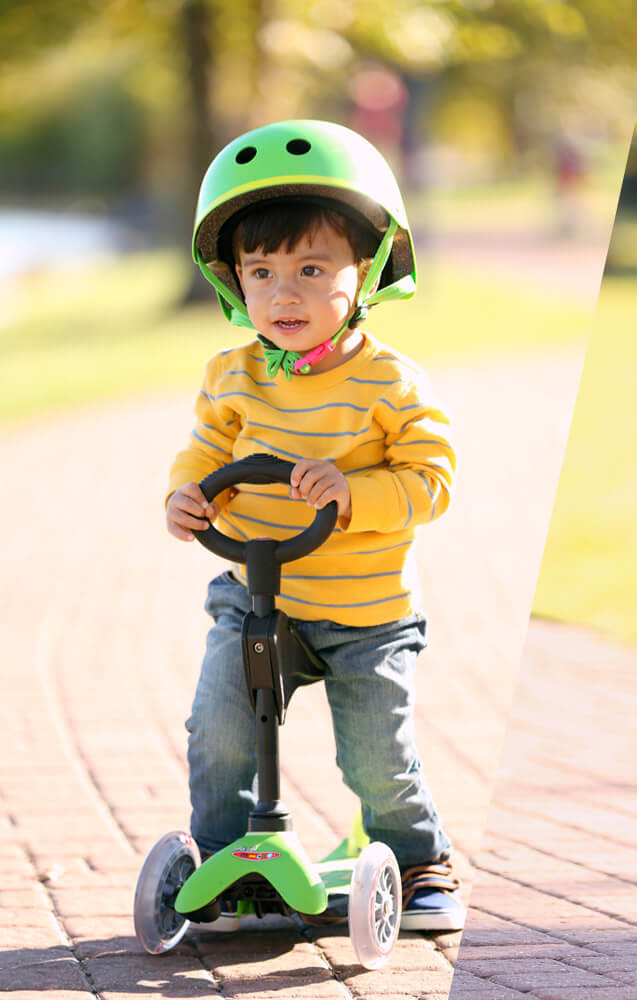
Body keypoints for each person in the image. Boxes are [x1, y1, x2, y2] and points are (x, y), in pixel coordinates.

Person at [162, 120, 464, 930]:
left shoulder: (390, 382)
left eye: (310, 268)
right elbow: (201, 456)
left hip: (367, 612)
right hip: (256, 594)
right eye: (261, 272)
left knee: (375, 758)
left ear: (366, 273)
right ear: (234, 281)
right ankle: (227, 862)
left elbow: (431, 482)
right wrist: (187, 499)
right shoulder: (233, 375)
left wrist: (354, 489)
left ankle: (420, 859)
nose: (284, 294)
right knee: (218, 731)